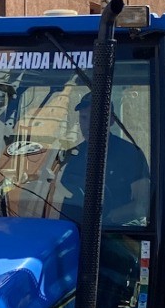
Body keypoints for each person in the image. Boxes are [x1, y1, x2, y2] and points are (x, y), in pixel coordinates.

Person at [55, 93, 151, 225]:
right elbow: (56, 196)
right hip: (73, 229)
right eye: (84, 118)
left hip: (117, 232)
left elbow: (141, 205)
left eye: (95, 118)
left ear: (111, 120)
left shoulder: (130, 154)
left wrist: (107, 219)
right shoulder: (71, 156)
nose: (88, 125)